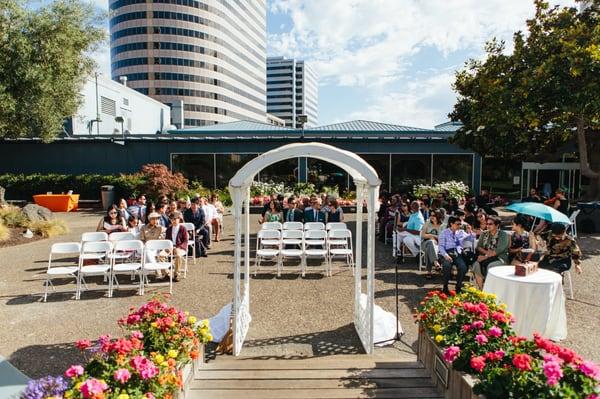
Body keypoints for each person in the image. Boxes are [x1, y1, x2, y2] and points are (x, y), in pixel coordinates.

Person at [438, 216, 475, 294]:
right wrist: (445, 255)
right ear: (451, 224)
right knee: (447, 265)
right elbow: (441, 246)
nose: (459, 226)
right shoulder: (444, 232)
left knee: (463, 267)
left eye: (460, 224)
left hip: (458, 253)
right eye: (457, 224)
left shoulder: (461, 232)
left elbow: (471, 239)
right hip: (447, 252)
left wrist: (470, 231)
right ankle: (445, 286)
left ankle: (458, 286)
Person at [472, 215, 510, 289]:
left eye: (490, 224)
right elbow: (478, 247)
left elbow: (497, 251)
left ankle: (489, 288)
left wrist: (484, 257)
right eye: (487, 224)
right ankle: (482, 289)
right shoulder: (484, 233)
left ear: (497, 225)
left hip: (500, 258)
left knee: (491, 266)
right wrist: (486, 253)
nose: (488, 226)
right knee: (476, 265)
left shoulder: (503, 235)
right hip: (486, 258)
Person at [165, 211, 188, 282]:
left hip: (179, 246)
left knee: (178, 255)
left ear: (179, 219)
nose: (173, 221)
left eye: (175, 219)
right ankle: (167, 273)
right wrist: (169, 247)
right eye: (171, 219)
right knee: (161, 256)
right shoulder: (169, 229)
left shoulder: (182, 228)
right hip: (170, 246)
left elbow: (185, 240)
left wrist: (179, 247)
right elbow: (167, 240)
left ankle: (176, 274)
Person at [421, 210, 444, 279]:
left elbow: (443, 238)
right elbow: (422, 235)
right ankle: (436, 262)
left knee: (430, 247)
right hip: (425, 243)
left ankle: (429, 271)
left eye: (433, 215)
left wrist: (434, 237)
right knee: (430, 243)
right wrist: (431, 236)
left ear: (438, 216)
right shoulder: (427, 223)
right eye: (431, 215)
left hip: (438, 245)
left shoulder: (442, 226)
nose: (431, 217)